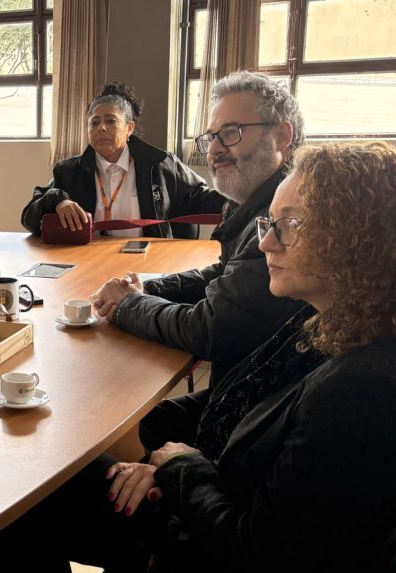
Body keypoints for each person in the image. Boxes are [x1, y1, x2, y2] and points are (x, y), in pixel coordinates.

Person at [0, 141, 396, 573]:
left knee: (41, 493)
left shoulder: (369, 390)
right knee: (53, 479)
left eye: (289, 225)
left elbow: (255, 564)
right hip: (230, 498)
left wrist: (178, 467)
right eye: (269, 224)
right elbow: (245, 404)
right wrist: (152, 437)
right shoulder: (359, 327)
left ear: (360, 240)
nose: (266, 244)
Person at [92, 71, 309, 452]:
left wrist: (129, 304)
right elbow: (225, 275)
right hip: (245, 394)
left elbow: (210, 329)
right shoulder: (255, 205)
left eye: (232, 132)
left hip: (257, 418)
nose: (215, 150)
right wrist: (146, 287)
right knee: (144, 423)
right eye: (212, 137)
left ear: (282, 136)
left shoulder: (285, 220)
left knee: (116, 428)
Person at [20, 82, 227, 239]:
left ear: (130, 128)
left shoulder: (161, 164)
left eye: (111, 121)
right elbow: (29, 218)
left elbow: (200, 198)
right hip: (87, 260)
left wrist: (239, 200)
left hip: (149, 261)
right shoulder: (68, 171)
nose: (101, 128)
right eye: (94, 123)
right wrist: (57, 201)